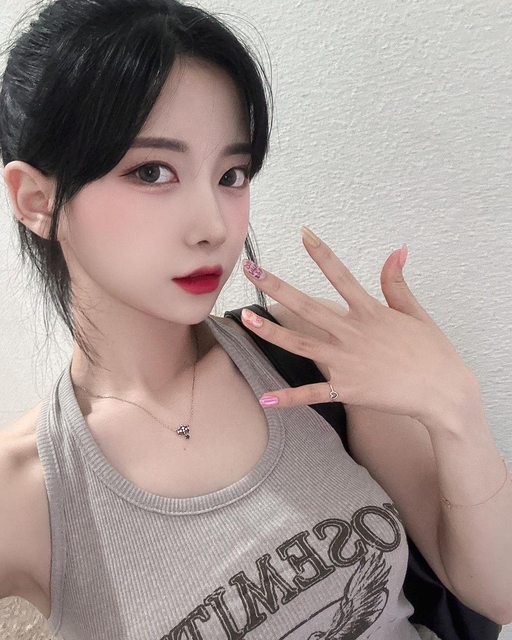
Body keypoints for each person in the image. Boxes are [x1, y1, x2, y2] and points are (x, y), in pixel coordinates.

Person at [0, 1, 464, 638]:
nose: (214, 227)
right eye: (152, 172)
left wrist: (454, 408)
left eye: (232, 174)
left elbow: (495, 591)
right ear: (35, 200)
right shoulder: (25, 489)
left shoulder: (307, 352)